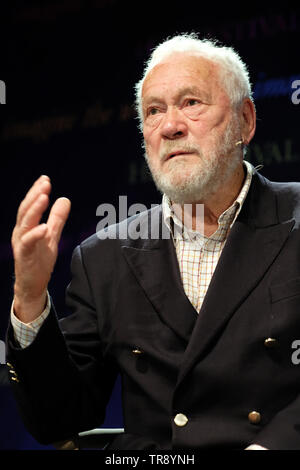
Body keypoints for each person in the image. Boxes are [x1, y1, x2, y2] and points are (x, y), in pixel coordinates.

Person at [6, 33, 300, 450]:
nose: (170, 126)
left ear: (245, 121)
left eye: (191, 103)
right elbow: (61, 419)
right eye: (153, 111)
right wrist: (30, 296)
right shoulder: (103, 258)